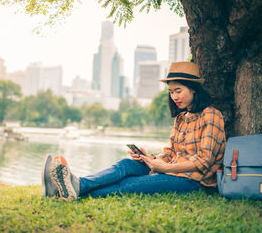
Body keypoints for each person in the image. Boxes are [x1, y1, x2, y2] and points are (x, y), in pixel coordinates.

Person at [41, 61, 227, 201]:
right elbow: (171, 154)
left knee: (130, 185)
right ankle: (77, 184)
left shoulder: (211, 115)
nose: (174, 96)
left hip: (193, 181)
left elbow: (205, 160)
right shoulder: (181, 118)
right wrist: (152, 159)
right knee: (126, 165)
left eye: (178, 91)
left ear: (194, 89)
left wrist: (166, 168)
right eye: (171, 92)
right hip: (169, 170)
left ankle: (66, 190)